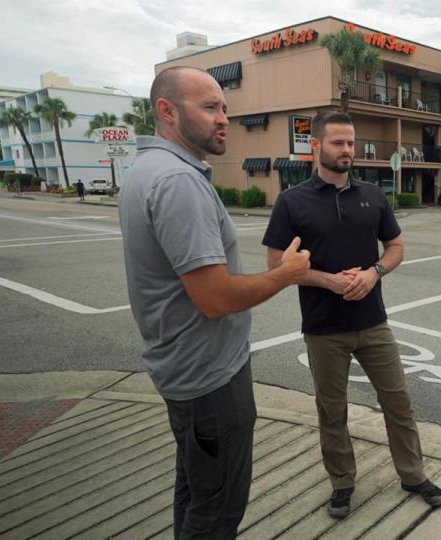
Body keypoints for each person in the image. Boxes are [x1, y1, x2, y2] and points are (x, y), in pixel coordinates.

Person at [119, 66, 310, 538]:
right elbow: (215, 298)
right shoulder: (177, 182)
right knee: (218, 509)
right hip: (209, 380)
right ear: (167, 111)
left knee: (196, 490)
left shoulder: (148, 170)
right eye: (209, 107)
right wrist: (285, 275)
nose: (223, 118)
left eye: (224, 107)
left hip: (185, 372)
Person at [262, 111, 441, 519]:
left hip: (373, 323)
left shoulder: (372, 195)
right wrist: (329, 281)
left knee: (398, 403)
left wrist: (374, 272)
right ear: (317, 146)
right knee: (332, 410)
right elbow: (277, 264)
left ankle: (412, 474)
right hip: (324, 328)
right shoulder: (293, 202)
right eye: (338, 143)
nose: (348, 150)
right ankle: (342, 483)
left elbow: (396, 246)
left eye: (351, 143)